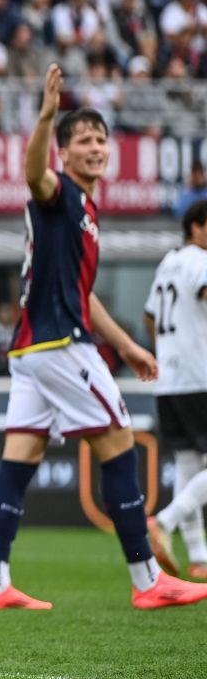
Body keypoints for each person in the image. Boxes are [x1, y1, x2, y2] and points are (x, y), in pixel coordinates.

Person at [0, 64, 207, 611]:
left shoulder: (84, 210)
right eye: (83, 140)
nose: (96, 147)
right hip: (60, 345)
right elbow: (34, 174)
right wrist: (45, 118)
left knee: (19, 458)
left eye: (101, 139)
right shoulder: (60, 194)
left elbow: (84, 294)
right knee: (119, 444)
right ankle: (148, 580)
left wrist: (126, 346)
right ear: (64, 152)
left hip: (31, 350)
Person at [144, 199, 207, 581]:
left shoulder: (168, 262)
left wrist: (168, 350)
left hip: (169, 379)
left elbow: (150, 316)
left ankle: (199, 557)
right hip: (199, 376)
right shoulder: (200, 259)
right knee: (193, 465)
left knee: (187, 464)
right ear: (196, 227)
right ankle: (164, 521)